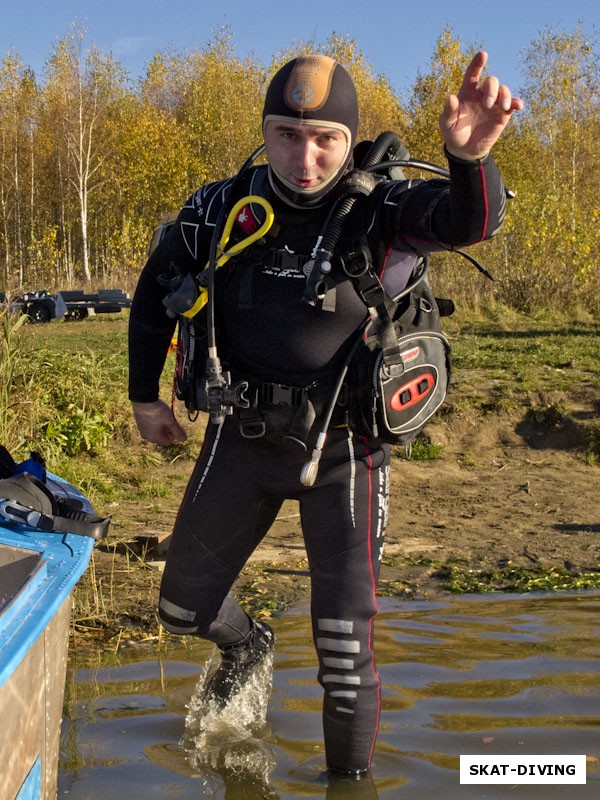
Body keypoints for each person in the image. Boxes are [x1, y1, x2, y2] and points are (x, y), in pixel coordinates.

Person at [129, 50, 522, 779]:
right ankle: (247, 645)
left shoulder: (384, 211)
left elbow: (474, 222)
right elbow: (155, 292)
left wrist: (469, 158)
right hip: (240, 439)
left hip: (344, 449)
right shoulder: (222, 210)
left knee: (344, 653)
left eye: (324, 141)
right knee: (181, 613)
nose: (303, 157)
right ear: (265, 132)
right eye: (285, 134)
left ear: (348, 139)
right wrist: (145, 397)